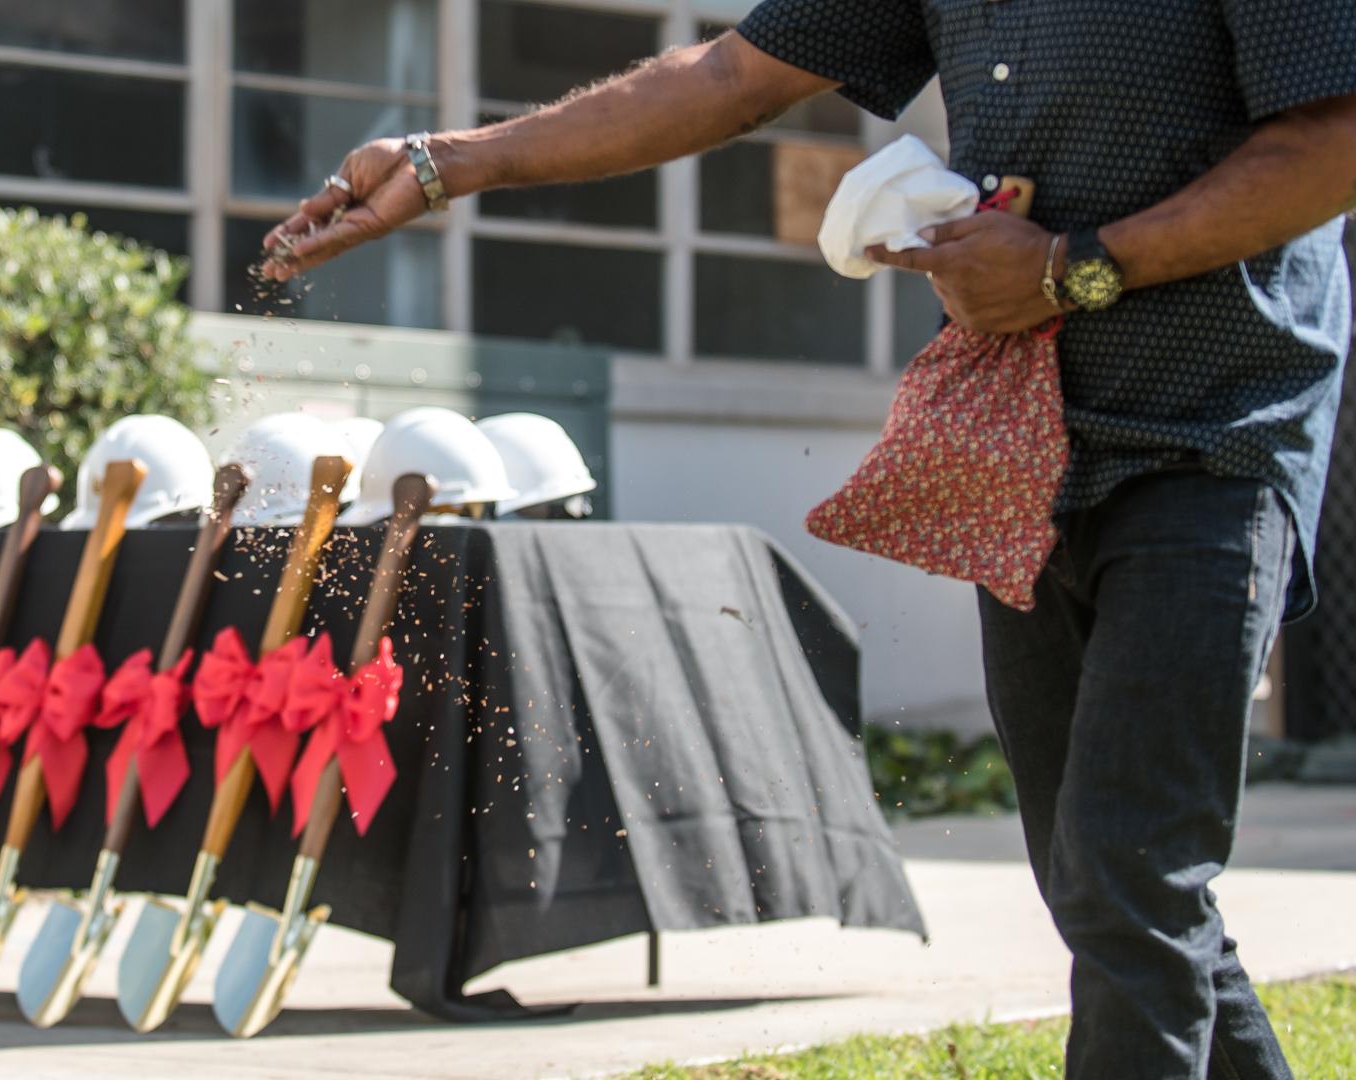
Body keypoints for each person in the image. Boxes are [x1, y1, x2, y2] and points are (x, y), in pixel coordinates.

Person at [258, 6, 1356, 1077]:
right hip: (1020, 442)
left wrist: (1074, 266)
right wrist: (446, 161)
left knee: (1129, 873)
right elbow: (730, 78)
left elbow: (1332, 143)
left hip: (1212, 437)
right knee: (1107, 888)